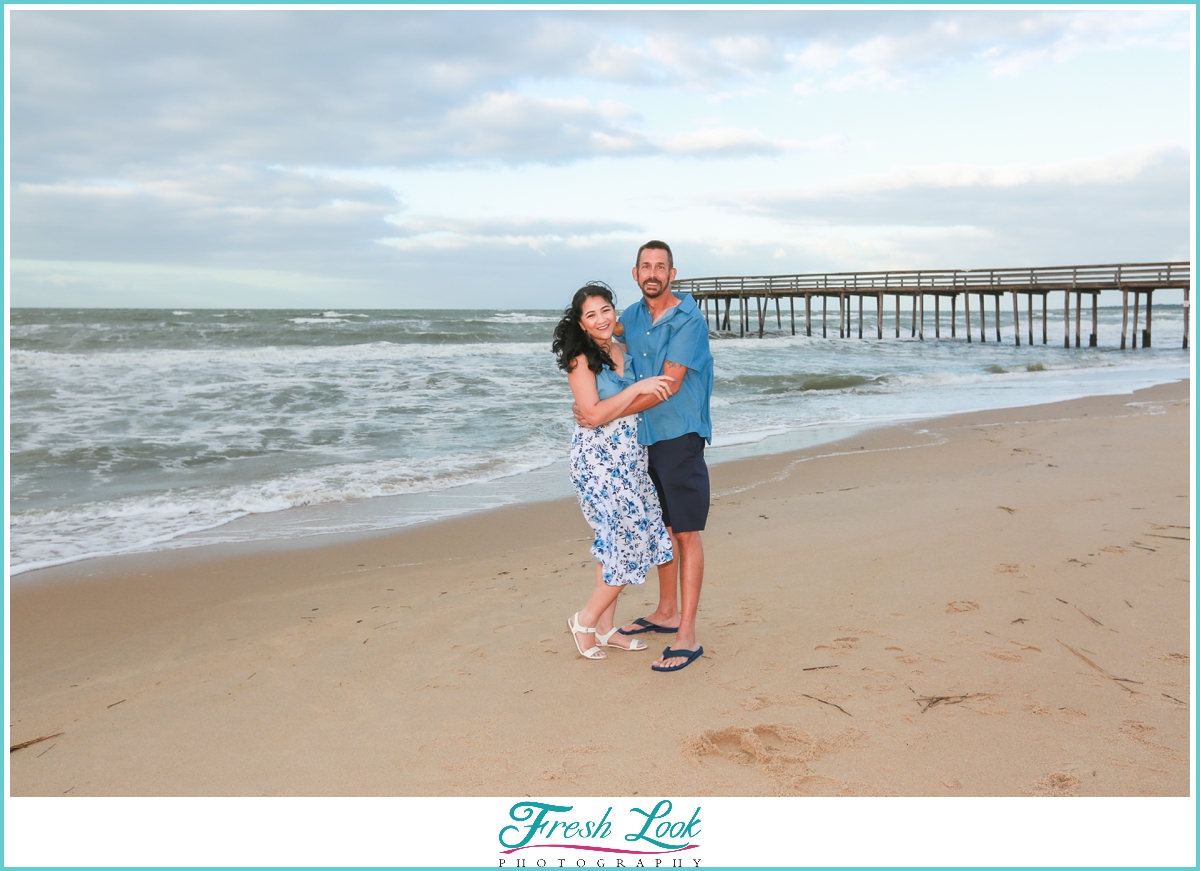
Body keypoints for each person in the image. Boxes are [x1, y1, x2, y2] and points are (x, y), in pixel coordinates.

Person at [574, 241, 714, 673]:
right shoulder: (630, 317)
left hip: (679, 435)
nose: (653, 273)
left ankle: (686, 634)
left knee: (686, 533)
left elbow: (667, 384)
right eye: (645, 266)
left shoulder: (689, 319)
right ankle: (666, 612)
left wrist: (599, 414)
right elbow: (595, 331)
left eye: (661, 266)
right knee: (663, 526)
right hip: (642, 443)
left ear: (673, 274)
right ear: (635, 274)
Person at [552, 282, 677, 661]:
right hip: (597, 462)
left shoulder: (623, 350)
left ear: (613, 312)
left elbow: (624, 406)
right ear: (581, 323)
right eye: (591, 314)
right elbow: (591, 414)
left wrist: (632, 394)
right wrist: (637, 387)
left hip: (631, 458)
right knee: (629, 541)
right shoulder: (581, 359)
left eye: (605, 309)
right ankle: (585, 619)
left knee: (615, 542)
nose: (601, 318)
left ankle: (605, 629)